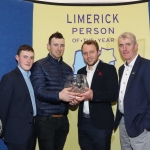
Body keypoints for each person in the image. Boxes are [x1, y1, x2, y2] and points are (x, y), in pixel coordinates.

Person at [30, 31, 78, 150]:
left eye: (62, 45)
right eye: (55, 45)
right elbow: (39, 92)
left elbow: (70, 96)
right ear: (48, 46)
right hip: (45, 121)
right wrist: (59, 96)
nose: (59, 48)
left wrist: (73, 102)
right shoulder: (38, 65)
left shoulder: (68, 69)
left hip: (63, 121)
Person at [75, 40, 118, 150]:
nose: (88, 56)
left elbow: (113, 95)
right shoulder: (80, 72)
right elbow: (78, 95)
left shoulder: (108, 69)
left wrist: (93, 95)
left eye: (91, 52)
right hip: (83, 124)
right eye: (85, 53)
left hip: (102, 125)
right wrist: (74, 100)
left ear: (98, 52)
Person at [114, 32, 150, 150]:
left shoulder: (146, 66)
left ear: (136, 46)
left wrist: (146, 125)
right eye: (121, 45)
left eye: (128, 44)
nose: (124, 49)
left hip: (140, 124)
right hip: (123, 123)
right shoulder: (121, 69)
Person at [0, 45, 36, 150]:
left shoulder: (32, 78)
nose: (28, 60)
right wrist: (3, 131)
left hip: (31, 132)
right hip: (16, 135)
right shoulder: (9, 78)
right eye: (25, 57)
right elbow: (2, 107)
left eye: (31, 57)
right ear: (17, 58)